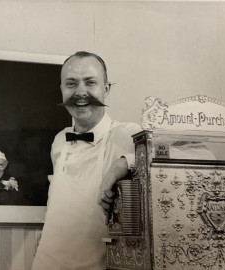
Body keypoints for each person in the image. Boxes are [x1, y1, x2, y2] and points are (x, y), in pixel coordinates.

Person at [32, 51, 141, 270]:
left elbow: (188, 156)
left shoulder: (126, 134)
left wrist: (123, 163)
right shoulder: (59, 141)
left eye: (90, 82)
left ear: (106, 89)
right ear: (62, 90)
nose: (80, 93)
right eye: (71, 84)